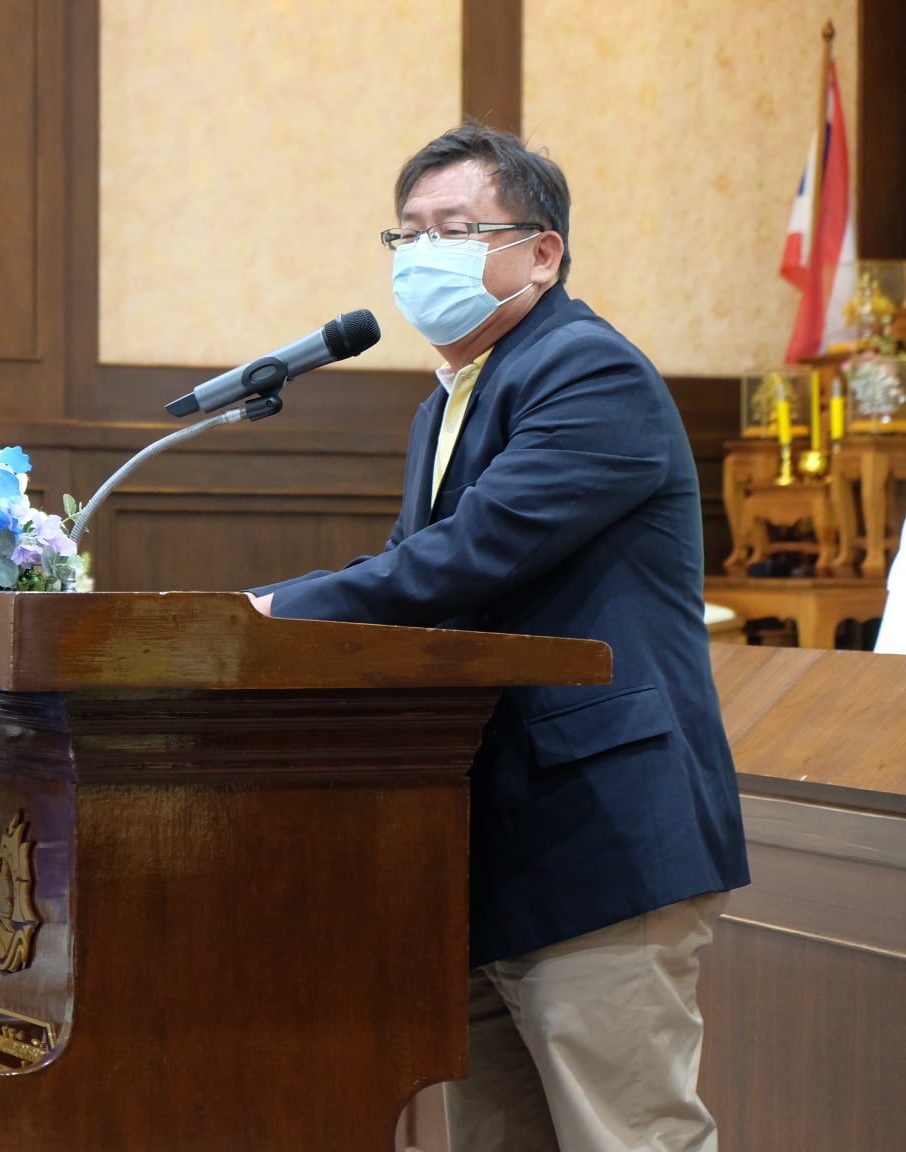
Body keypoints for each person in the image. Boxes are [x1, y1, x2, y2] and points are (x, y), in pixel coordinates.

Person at [247, 124, 750, 1152]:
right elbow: (411, 577)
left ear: (542, 252)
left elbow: (471, 555)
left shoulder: (588, 369)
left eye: (456, 229)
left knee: (630, 1134)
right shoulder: (452, 398)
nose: (422, 255)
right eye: (408, 236)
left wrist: (268, 614)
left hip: (599, 826)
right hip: (483, 829)